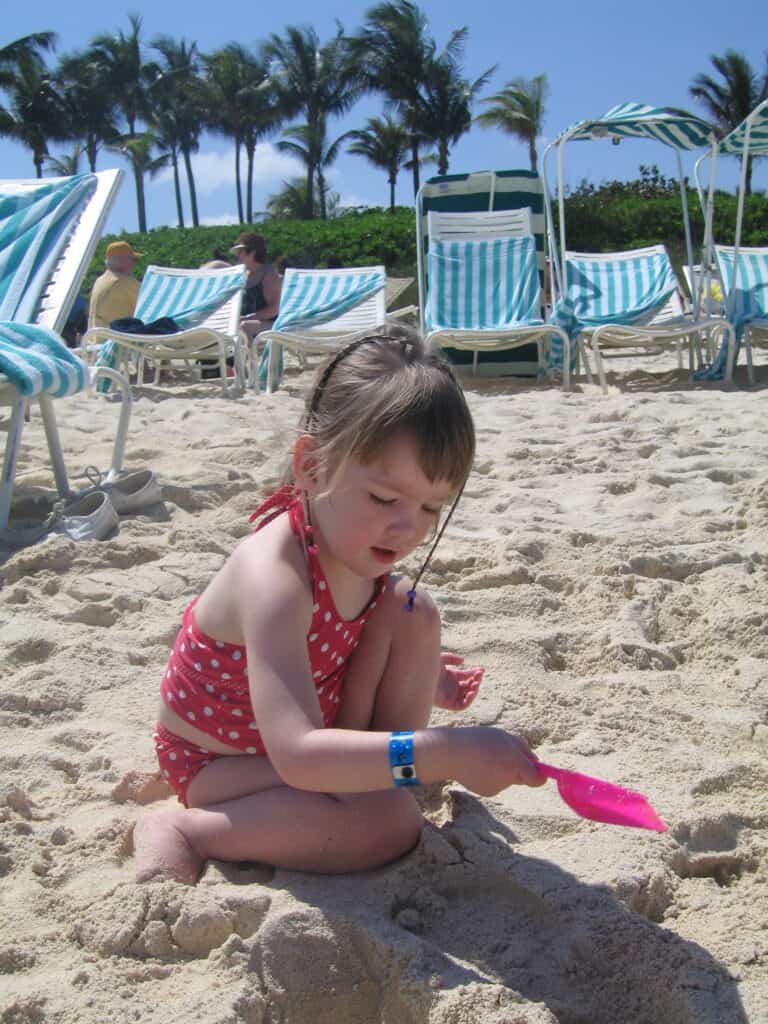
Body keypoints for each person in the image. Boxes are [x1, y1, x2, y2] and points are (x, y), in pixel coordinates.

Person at [133, 324, 544, 885]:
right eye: (384, 497)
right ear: (313, 466)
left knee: (411, 610)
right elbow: (298, 755)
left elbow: (343, 641)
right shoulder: (275, 575)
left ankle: (380, 779)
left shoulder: (354, 545)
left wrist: (422, 680)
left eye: (431, 509)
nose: (407, 527)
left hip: (304, 736)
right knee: (388, 826)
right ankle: (188, 831)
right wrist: (446, 752)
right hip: (223, 763)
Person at [229, 231, 282, 341]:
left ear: (252, 253)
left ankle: (247, 358)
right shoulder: (243, 276)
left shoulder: (268, 274)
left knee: (243, 327)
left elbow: (273, 310)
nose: (237, 256)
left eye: (240, 252)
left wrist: (246, 318)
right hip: (246, 322)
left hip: (271, 325)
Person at [87, 240, 143, 329]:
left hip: (95, 340)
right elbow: (148, 309)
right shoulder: (125, 282)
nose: (134, 264)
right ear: (123, 261)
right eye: (133, 259)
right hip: (118, 340)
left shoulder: (99, 281)